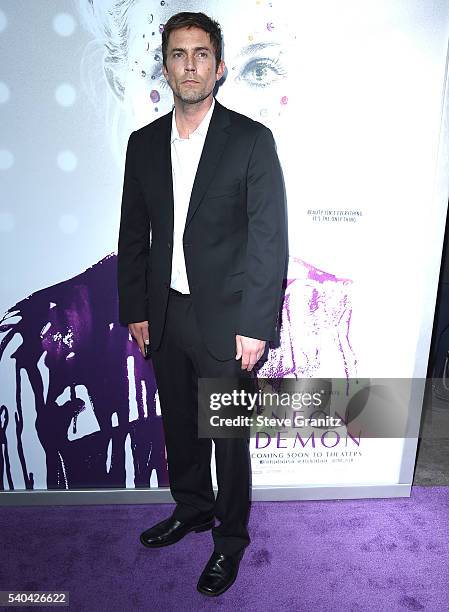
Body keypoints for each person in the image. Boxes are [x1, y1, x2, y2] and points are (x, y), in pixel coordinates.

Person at [117, 11, 287, 597]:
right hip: (165, 313)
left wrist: (256, 324)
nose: (189, 65)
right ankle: (191, 508)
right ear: (165, 66)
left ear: (218, 66)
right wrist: (136, 308)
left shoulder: (250, 140)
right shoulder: (142, 146)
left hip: (229, 320)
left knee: (228, 437)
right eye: (178, 54)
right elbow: (132, 234)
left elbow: (269, 238)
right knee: (181, 429)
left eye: (201, 54)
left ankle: (230, 539)